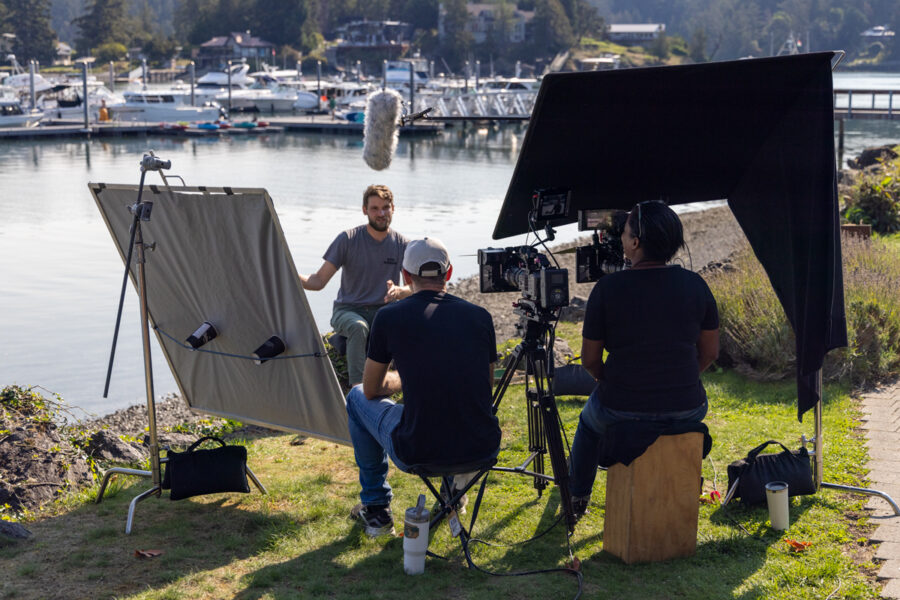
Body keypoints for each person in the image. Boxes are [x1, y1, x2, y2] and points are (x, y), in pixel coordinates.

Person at [568, 200, 720, 520]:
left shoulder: (608, 288)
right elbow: (709, 353)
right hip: (688, 403)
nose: (622, 238)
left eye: (624, 233)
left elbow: (590, 360)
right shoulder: (696, 285)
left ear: (635, 243)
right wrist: (682, 377)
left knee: (587, 425)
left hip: (621, 401)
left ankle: (577, 498)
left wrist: (611, 380)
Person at [346, 237, 501, 536]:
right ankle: (453, 493)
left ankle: (377, 511)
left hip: (418, 450)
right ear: (450, 272)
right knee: (449, 404)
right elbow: (484, 386)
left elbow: (370, 389)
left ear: (405, 276)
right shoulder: (480, 317)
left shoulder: (389, 317)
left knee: (354, 398)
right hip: (481, 446)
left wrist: (405, 377)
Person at [299, 185, 410, 386]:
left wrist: (399, 291)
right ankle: (359, 388)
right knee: (359, 328)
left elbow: (415, 288)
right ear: (364, 210)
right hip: (348, 310)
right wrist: (288, 273)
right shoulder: (348, 239)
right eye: (375, 208)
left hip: (382, 311)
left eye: (385, 207)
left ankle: (410, 381)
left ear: (393, 208)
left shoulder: (402, 244)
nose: (381, 213)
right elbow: (318, 281)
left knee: (409, 325)